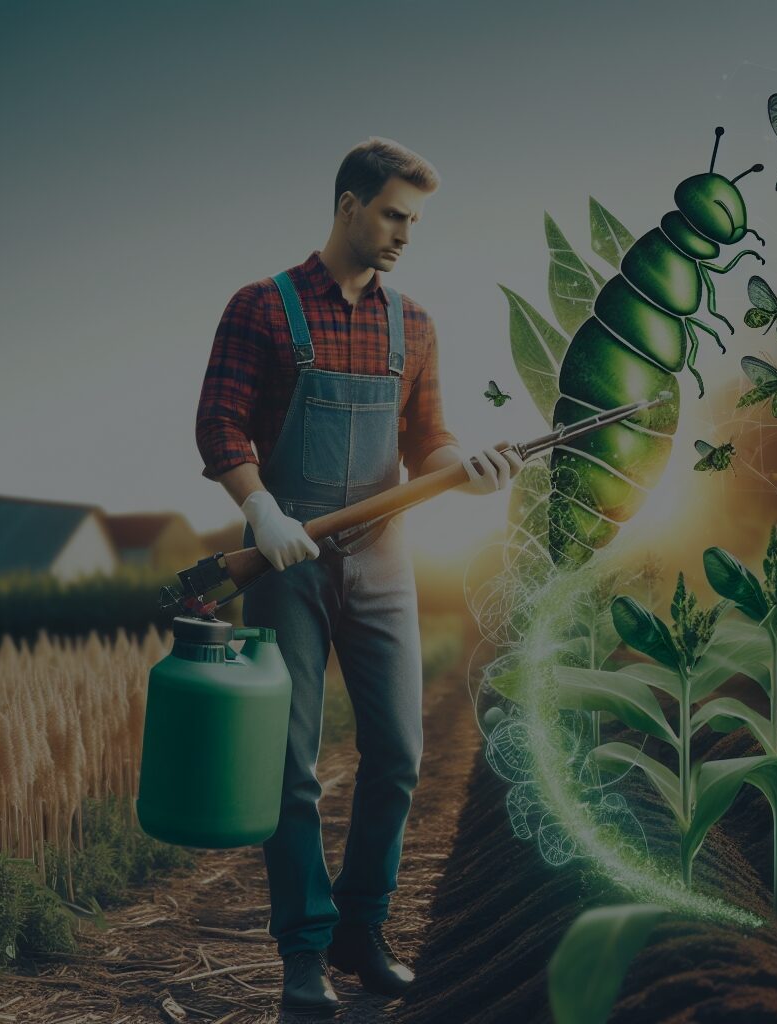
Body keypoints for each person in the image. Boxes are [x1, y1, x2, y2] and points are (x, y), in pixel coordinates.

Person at [195, 137, 522, 1016]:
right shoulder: (261, 309)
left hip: (382, 557)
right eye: (392, 213)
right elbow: (220, 425)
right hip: (285, 558)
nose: (405, 233)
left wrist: (469, 466)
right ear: (348, 206)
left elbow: (430, 440)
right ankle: (303, 952)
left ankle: (360, 928)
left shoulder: (412, 324)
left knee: (401, 754)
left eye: (415, 219)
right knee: (290, 766)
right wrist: (261, 509)